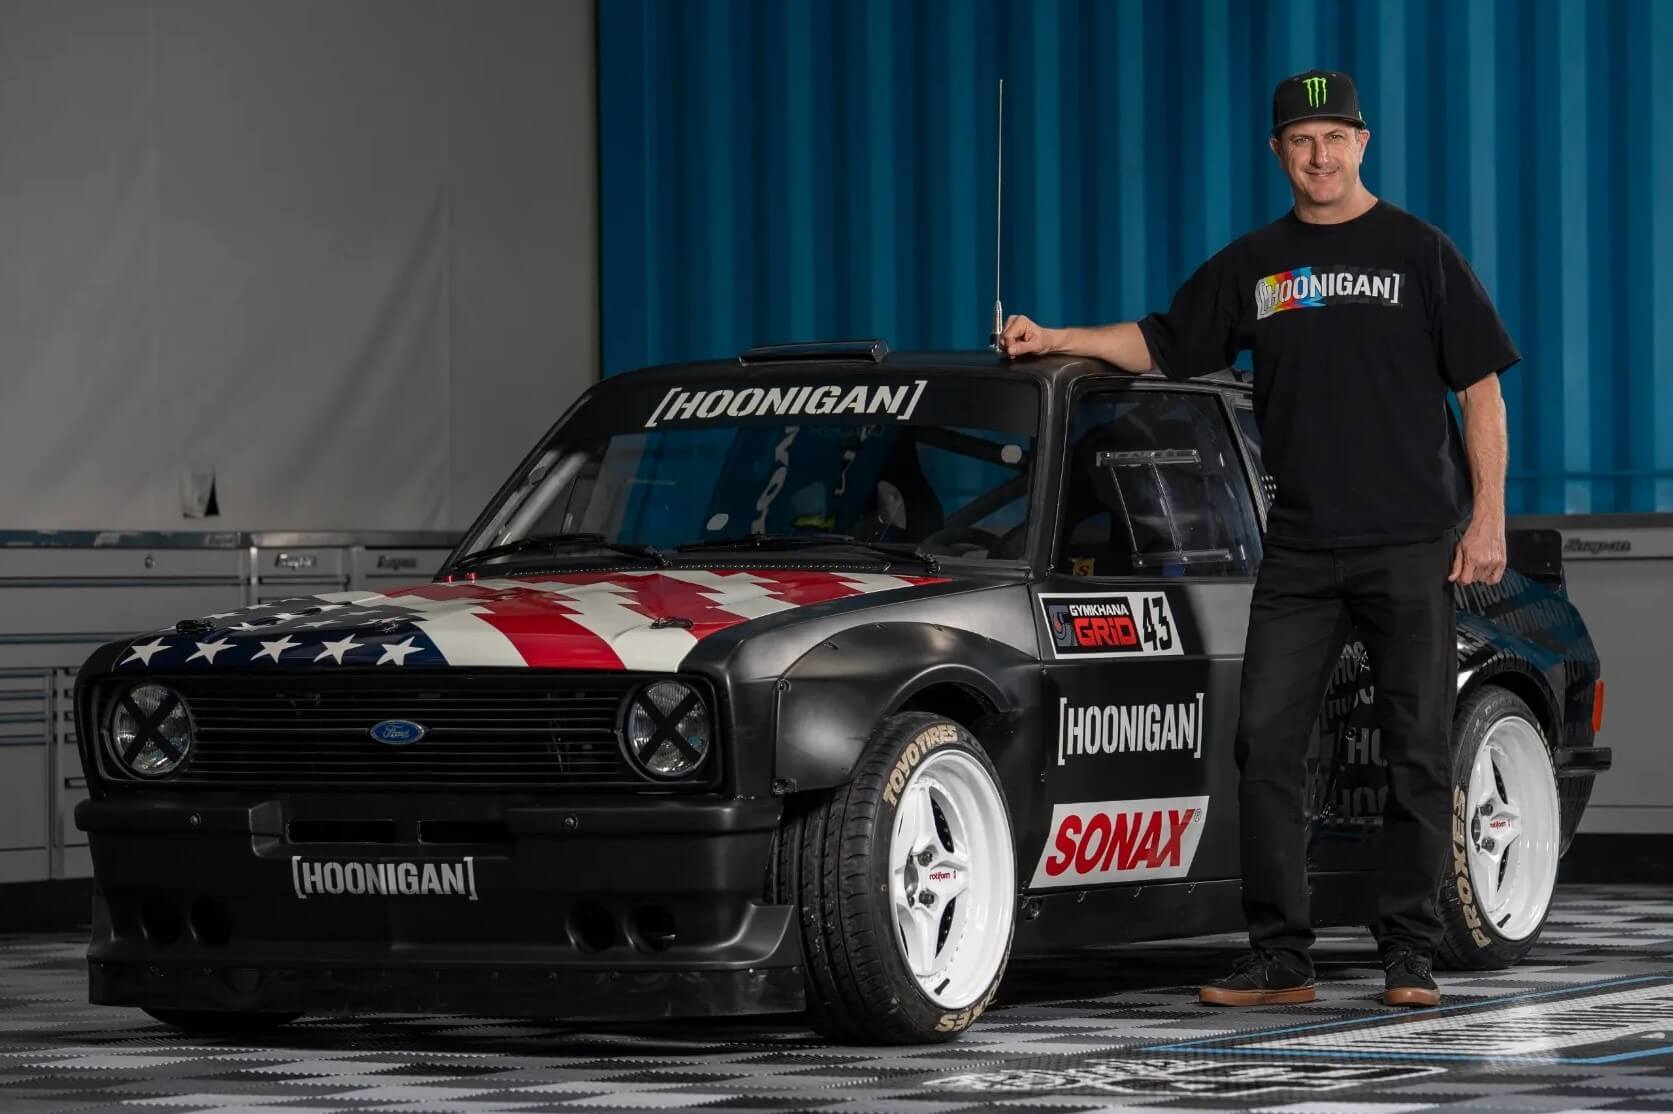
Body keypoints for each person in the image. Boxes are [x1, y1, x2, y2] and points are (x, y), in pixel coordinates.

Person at [1000, 69, 1514, 1010]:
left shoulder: (1419, 252)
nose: (1319, 155)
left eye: (1334, 137)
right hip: (1300, 552)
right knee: (1264, 747)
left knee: (1417, 751)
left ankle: (1408, 954)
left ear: (1361, 144)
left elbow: (1480, 391)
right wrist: (1054, 335)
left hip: (1410, 543)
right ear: (1277, 152)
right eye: (1300, 140)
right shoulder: (1255, 264)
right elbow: (1160, 341)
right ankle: (1281, 958)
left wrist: (1487, 519)